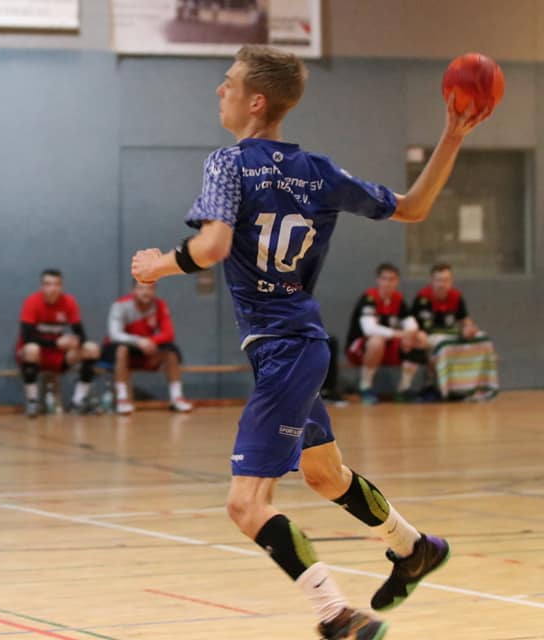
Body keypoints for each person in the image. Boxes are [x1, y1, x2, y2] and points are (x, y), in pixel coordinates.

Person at [131, 45, 490, 639]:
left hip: (284, 350)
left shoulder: (228, 163)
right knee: (324, 473)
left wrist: (157, 266)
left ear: (256, 101)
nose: (219, 90)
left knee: (245, 505)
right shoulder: (317, 170)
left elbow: (213, 246)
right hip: (301, 344)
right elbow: (413, 208)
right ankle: (414, 548)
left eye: (228, 82)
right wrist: (451, 137)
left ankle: (335, 614)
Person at [17, 269, 99, 417]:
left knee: (91, 348)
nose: (52, 288)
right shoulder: (32, 302)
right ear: (42, 286)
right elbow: (27, 336)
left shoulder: (69, 302)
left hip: (59, 356)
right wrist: (56, 343)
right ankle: (32, 402)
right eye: (48, 284)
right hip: (37, 356)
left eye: (56, 284)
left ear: (61, 286)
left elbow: (82, 335)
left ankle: (78, 401)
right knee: (31, 348)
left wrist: (74, 341)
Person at [101, 282, 193, 415]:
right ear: (133, 290)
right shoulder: (120, 305)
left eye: (150, 288)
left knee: (171, 352)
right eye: (141, 288)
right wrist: (139, 341)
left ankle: (177, 398)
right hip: (120, 349)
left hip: (146, 349)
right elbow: (114, 334)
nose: (146, 292)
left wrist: (150, 341)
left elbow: (169, 333)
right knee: (122, 349)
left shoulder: (160, 305)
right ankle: (122, 399)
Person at [345, 263, 429, 404]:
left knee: (420, 338)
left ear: (397, 281)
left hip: (388, 346)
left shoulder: (398, 299)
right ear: (378, 280)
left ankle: (404, 388)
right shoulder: (369, 298)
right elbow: (369, 329)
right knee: (376, 341)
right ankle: (365, 387)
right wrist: (401, 334)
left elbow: (412, 324)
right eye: (384, 279)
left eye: (392, 279)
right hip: (360, 348)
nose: (388, 283)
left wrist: (410, 335)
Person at [412, 263, 498, 400]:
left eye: (446, 280)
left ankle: (477, 386)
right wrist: (419, 335)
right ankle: (439, 387)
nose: (442, 284)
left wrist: (469, 329)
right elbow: (414, 326)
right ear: (432, 281)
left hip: (452, 336)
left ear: (451, 281)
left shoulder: (456, 296)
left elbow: (465, 320)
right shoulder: (423, 298)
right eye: (439, 280)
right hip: (430, 336)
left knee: (483, 339)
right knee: (441, 345)